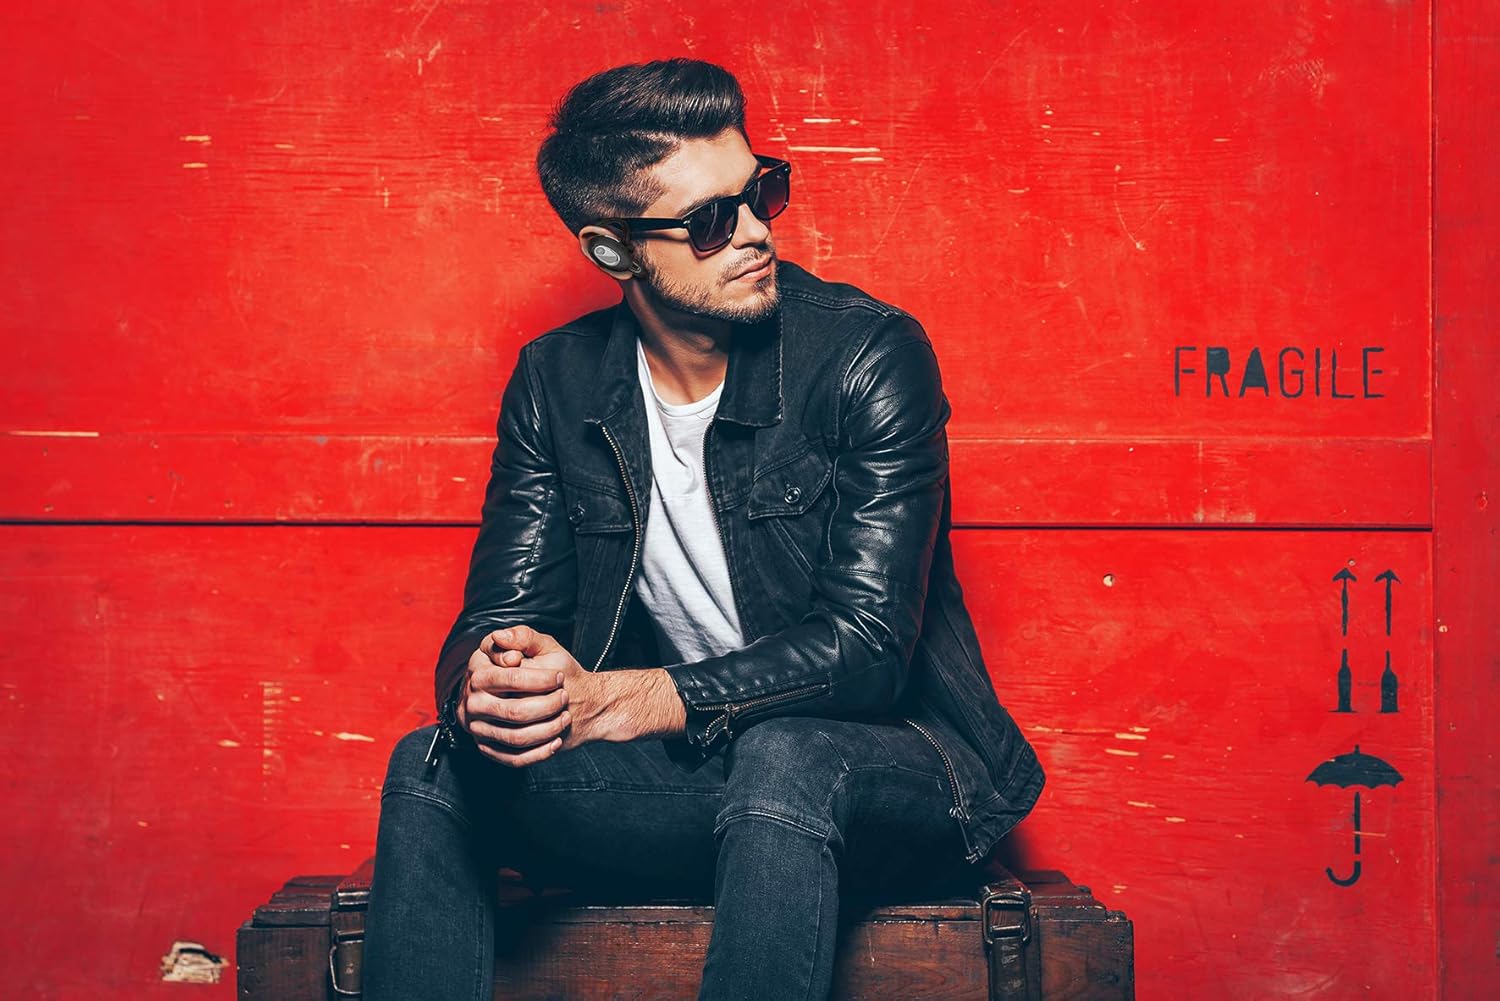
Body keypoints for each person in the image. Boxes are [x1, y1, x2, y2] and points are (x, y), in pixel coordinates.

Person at [362, 57, 1045, 1001]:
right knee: (434, 763)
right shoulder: (556, 383)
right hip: (712, 789)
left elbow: (870, 649)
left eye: (761, 191)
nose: (756, 232)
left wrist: (632, 698)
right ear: (612, 252)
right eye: (712, 221)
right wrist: (495, 685)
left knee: (786, 751)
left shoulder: (867, 354)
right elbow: (496, 616)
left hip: (904, 772)